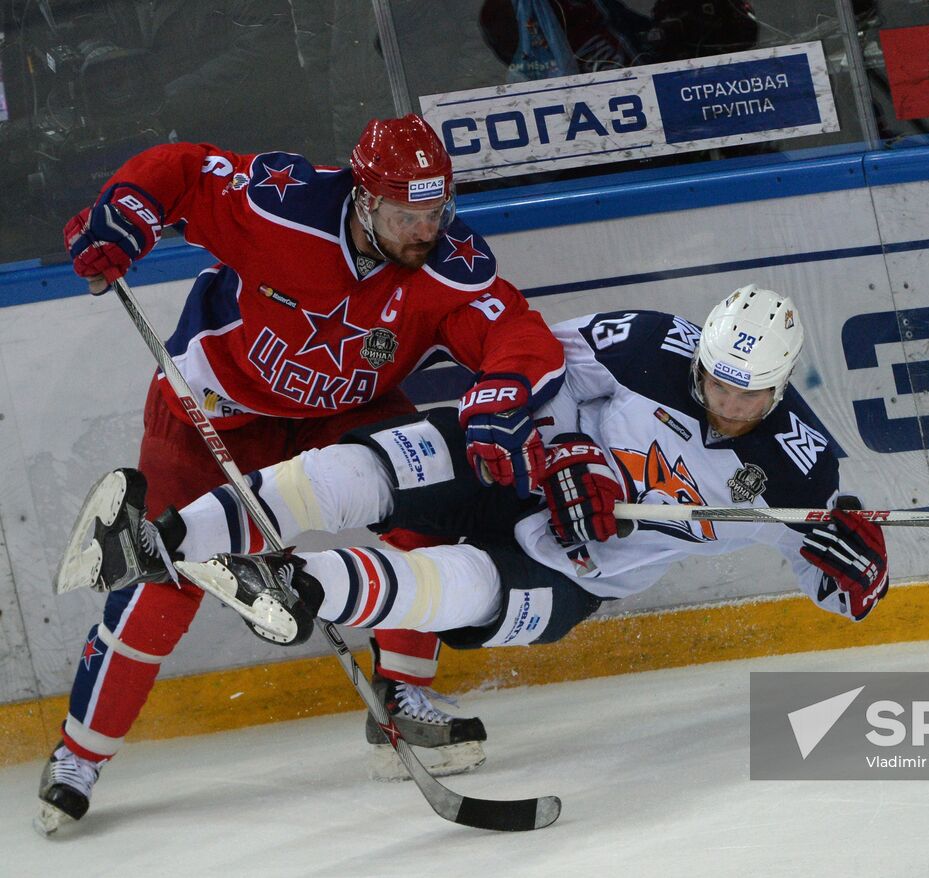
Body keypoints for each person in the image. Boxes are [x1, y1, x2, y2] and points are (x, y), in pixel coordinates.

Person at [57, 285, 891, 800]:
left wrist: (858, 578)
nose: (719, 398)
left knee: (453, 584)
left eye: (744, 394)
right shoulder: (650, 343)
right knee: (366, 466)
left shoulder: (799, 472)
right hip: (511, 459)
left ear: (781, 387)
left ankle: (298, 586)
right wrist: (565, 446)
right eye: (714, 376)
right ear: (703, 350)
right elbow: (538, 356)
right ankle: (162, 536)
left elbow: (829, 584)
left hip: (576, 568)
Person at [39, 112, 565, 833]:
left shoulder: (449, 264)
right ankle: (80, 756)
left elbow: (516, 333)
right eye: (407, 214)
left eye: (437, 210)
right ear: (364, 199)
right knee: (162, 575)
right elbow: (185, 169)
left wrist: (505, 385)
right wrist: (126, 213)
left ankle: (403, 703)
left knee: (431, 511)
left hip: (343, 412)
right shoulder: (280, 205)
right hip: (211, 409)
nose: (426, 229)